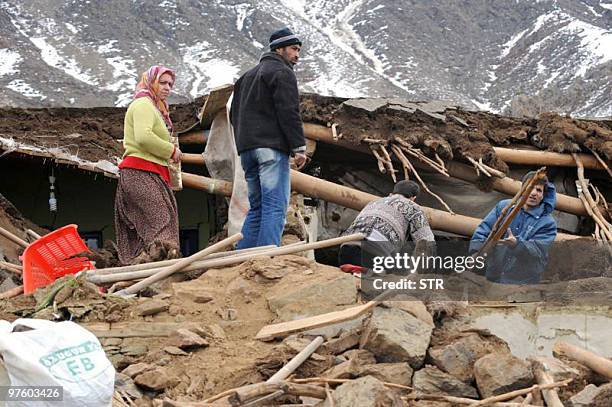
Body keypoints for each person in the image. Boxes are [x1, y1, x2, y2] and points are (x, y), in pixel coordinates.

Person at [230, 27, 307, 249]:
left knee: (257, 207)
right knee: (275, 206)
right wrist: (299, 147)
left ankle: (243, 258)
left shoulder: (245, 77)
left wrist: (244, 145)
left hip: (247, 151)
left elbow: (234, 115)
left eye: (299, 50)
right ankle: (267, 259)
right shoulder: (282, 73)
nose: (297, 55)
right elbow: (289, 111)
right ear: (279, 49)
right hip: (271, 150)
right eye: (294, 49)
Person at [114, 65, 182, 265]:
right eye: (162, 82)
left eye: (170, 84)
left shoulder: (154, 108)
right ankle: (161, 272)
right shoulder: (143, 104)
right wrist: (171, 150)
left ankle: (148, 271)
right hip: (140, 173)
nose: (167, 87)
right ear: (151, 82)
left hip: (150, 173)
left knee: (158, 225)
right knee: (162, 224)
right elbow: (143, 137)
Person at [469, 171, 558, 284]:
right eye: (530, 188)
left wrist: (517, 244)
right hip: (493, 277)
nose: (533, 193)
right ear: (522, 190)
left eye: (539, 190)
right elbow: (485, 228)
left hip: (523, 283)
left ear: (543, 196)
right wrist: (475, 251)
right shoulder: (504, 207)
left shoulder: (547, 223)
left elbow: (537, 252)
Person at [338, 180, 436, 269]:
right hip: (374, 256)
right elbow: (427, 243)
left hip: (346, 250)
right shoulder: (414, 207)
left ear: (392, 193)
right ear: (413, 198)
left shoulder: (373, 202)